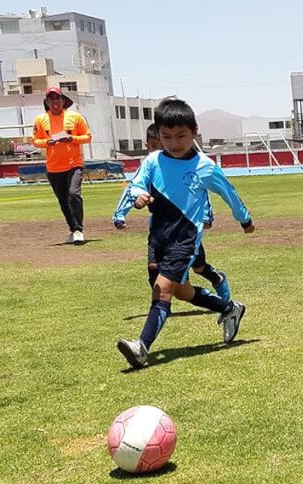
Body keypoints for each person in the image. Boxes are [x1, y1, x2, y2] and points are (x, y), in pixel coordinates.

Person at [116, 98, 254, 369]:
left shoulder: (204, 166)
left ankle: (141, 347)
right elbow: (135, 185)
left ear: (194, 132)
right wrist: (137, 197)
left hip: (185, 239)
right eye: (166, 137)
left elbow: (229, 192)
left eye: (181, 136)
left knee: (162, 289)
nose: (174, 143)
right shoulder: (153, 161)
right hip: (157, 238)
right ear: (158, 134)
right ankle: (229, 308)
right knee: (182, 292)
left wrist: (244, 219)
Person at [113, 123, 231, 300]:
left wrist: (206, 215)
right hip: (161, 231)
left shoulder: (187, 166)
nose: (155, 151)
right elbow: (133, 189)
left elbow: (199, 194)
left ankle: (217, 279)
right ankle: (161, 300)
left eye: (159, 146)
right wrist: (120, 214)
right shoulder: (148, 168)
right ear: (147, 146)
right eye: (152, 146)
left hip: (186, 229)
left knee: (198, 267)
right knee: (153, 265)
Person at [32, 86, 93, 244]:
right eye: (51, 99)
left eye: (57, 98)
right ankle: (73, 230)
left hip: (74, 164)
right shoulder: (40, 120)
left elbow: (87, 137)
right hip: (53, 167)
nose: (55, 101)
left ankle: (79, 230)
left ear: (63, 100)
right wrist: (47, 142)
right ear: (47, 102)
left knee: (74, 194)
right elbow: (35, 141)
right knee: (63, 201)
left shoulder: (75, 117)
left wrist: (72, 139)